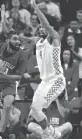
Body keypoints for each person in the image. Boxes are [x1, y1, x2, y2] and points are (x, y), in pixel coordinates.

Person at [28, 0, 66, 138]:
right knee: (34, 110)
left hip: (56, 80)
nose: (41, 27)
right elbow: (21, 39)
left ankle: (50, 134)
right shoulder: (39, 41)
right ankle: (52, 133)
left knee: (38, 109)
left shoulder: (54, 37)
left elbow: (45, 24)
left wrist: (35, 7)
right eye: (40, 26)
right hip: (44, 82)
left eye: (43, 26)